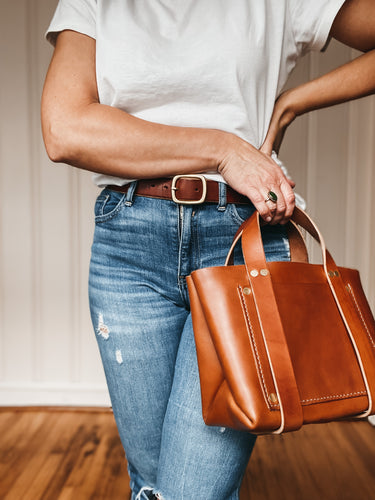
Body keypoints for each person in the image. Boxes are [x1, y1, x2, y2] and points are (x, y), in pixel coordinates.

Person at [41, 1, 375, 498]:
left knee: (192, 493)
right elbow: (65, 130)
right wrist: (225, 148)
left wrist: (292, 102)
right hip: (127, 247)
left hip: (242, 247)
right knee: (152, 487)